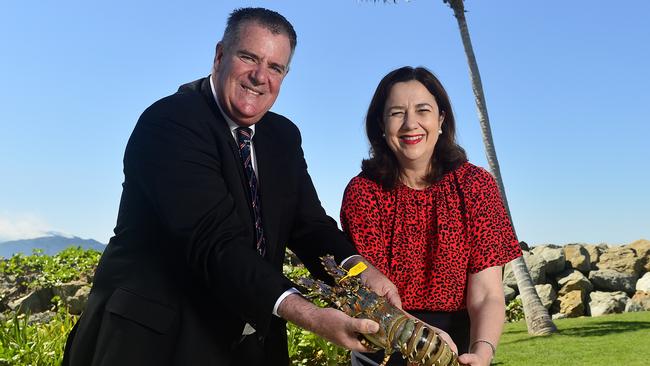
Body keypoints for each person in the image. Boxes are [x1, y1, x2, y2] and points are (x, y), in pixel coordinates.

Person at [62, 7, 404, 366]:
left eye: (276, 68)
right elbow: (215, 242)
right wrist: (313, 316)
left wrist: (362, 273)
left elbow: (311, 228)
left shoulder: (283, 136)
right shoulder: (169, 123)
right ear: (220, 55)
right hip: (156, 342)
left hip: (251, 346)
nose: (260, 76)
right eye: (249, 58)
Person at [341, 66, 522, 366]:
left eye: (422, 110)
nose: (410, 123)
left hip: (460, 347)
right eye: (397, 112)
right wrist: (425, 339)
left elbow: (488, 294)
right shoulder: (363, 193)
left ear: (440, 119)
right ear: (381, 124)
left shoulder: (476, 186)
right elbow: (371, 296)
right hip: (385, 346)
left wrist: (481, 353)